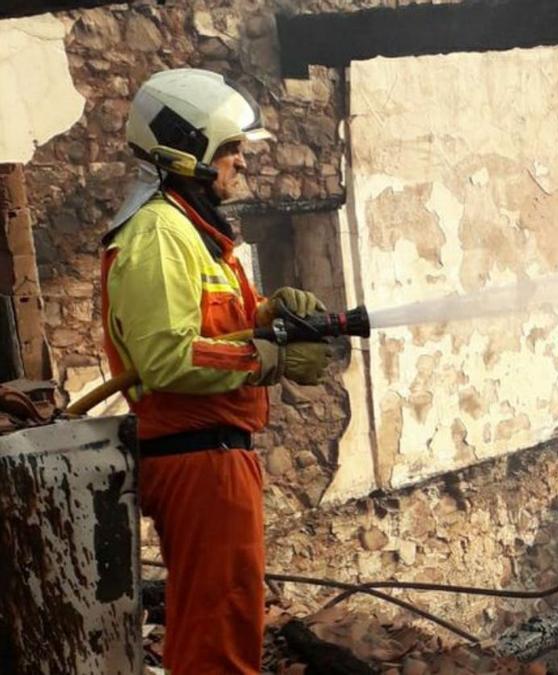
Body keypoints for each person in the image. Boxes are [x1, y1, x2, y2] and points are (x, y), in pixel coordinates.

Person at [101, 68, 331, 674]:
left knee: (216, 619)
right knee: (221, 637)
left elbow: (204, 328)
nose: (240, 163)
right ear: (187, 151)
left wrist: (265, 316)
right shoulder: (158, 235)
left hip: (213, 454)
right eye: (229, 150)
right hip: (198, 458)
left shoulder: (191, 234)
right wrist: (267, 355)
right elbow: (167, 357)